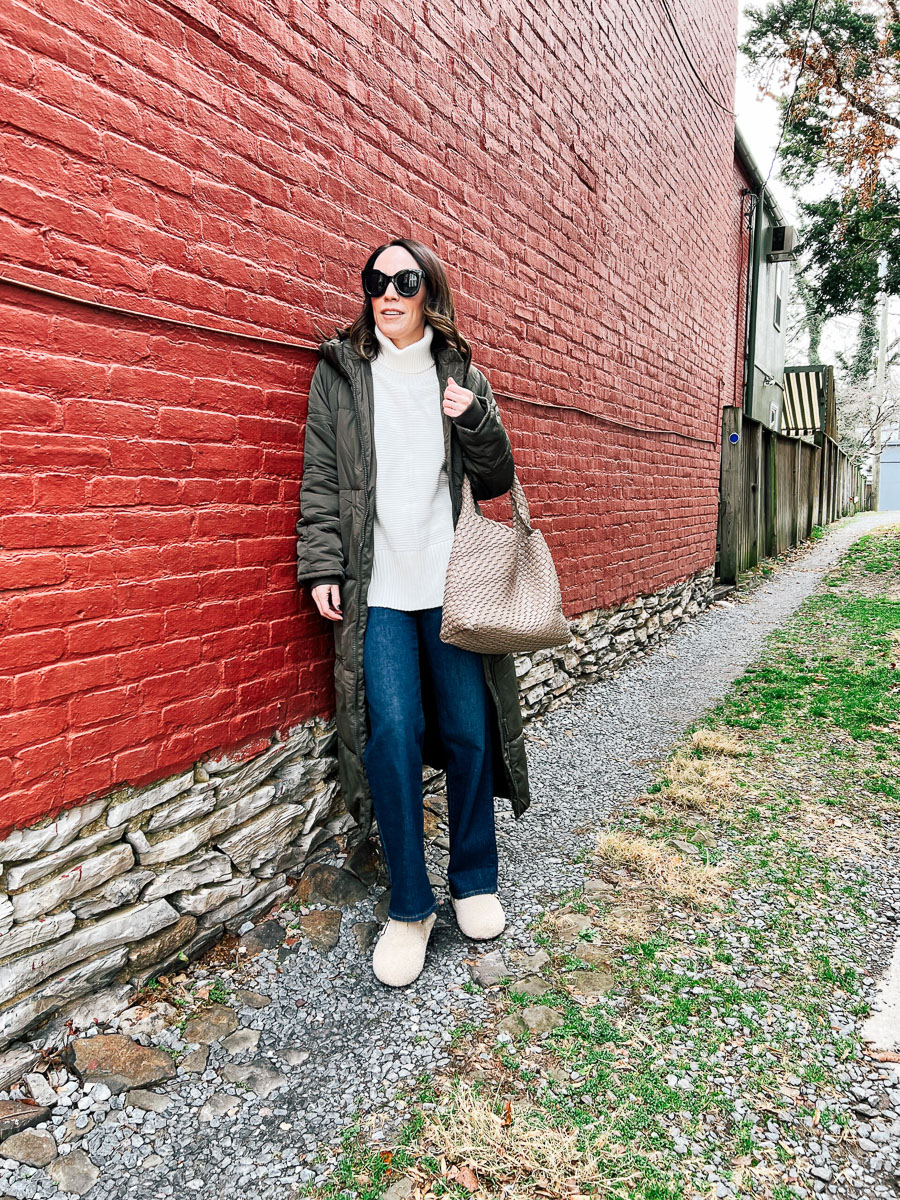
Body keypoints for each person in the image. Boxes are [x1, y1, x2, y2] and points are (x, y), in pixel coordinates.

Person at [296, 237, 531, 987]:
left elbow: (496, 477)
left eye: (405, 280)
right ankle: (409, 904)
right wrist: (322, 564)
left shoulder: (459, 371)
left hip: (452, 579)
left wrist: (477, 420)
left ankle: (474, 878)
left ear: (430, 290)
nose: (388, 293)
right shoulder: (340, 372)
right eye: (376, 281)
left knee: (467, 729)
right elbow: (322, 478)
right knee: (391, 732)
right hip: (380, 589)